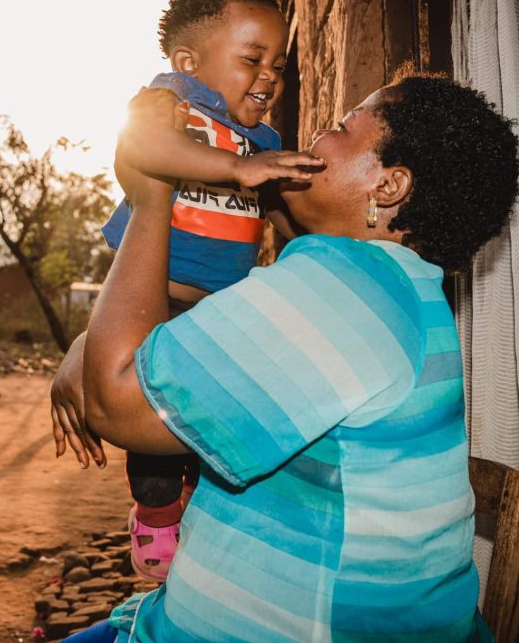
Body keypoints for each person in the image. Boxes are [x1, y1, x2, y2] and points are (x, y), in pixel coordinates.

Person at [52, 69, 519, 642]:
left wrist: (152, 196)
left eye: (341, 128)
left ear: (388, 187)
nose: (317, 137)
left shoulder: (344, 290)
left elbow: (115, 402)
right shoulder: (405, 292)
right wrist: (87, 346)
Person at [55, 0, 322, 581]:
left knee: (211, 426)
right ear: (188, 61)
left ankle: (208, 522)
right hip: (159, 303)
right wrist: (236, 171)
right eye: (252, 58)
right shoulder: (171, 105)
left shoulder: (261, 141)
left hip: (221, 308)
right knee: (152, 439)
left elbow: (285, 220)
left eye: (277, 65)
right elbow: (146, 151)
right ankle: (154, 515)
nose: (268, 77)